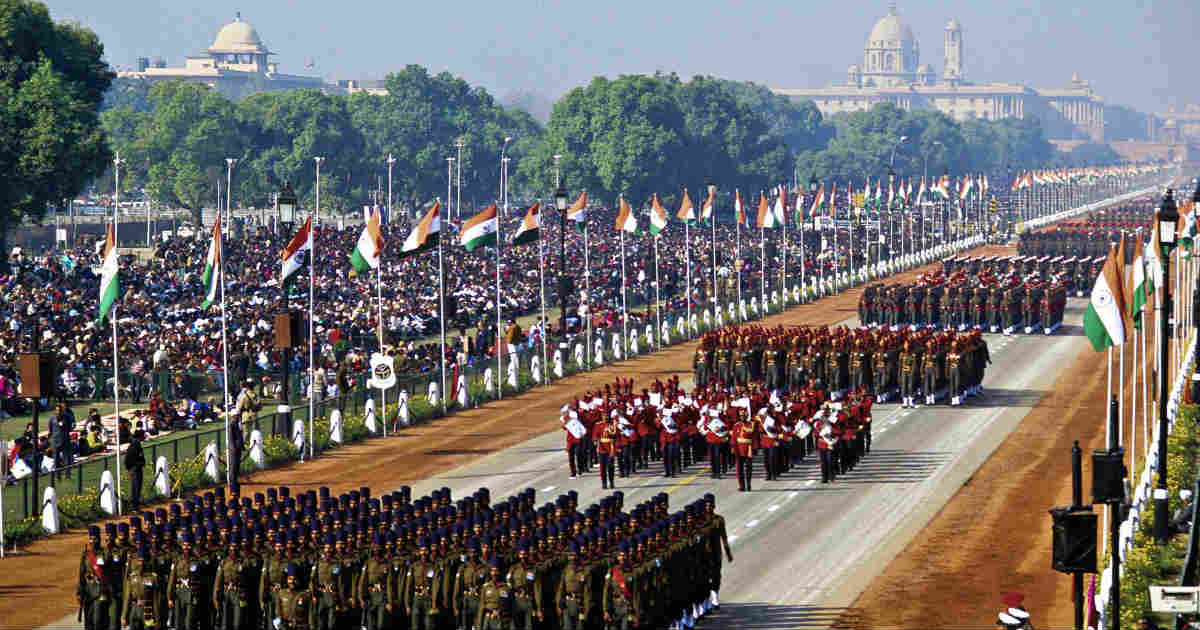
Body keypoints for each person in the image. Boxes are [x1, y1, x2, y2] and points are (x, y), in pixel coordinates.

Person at [124, 429, 145, 509]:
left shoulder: (137, 444)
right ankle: (134, 506)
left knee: (137, 487)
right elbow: (128, 459)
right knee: (135, 488)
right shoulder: (134, 446)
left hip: (137, 469)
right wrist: (133, 467)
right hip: (135, 469)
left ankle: (136, 505)